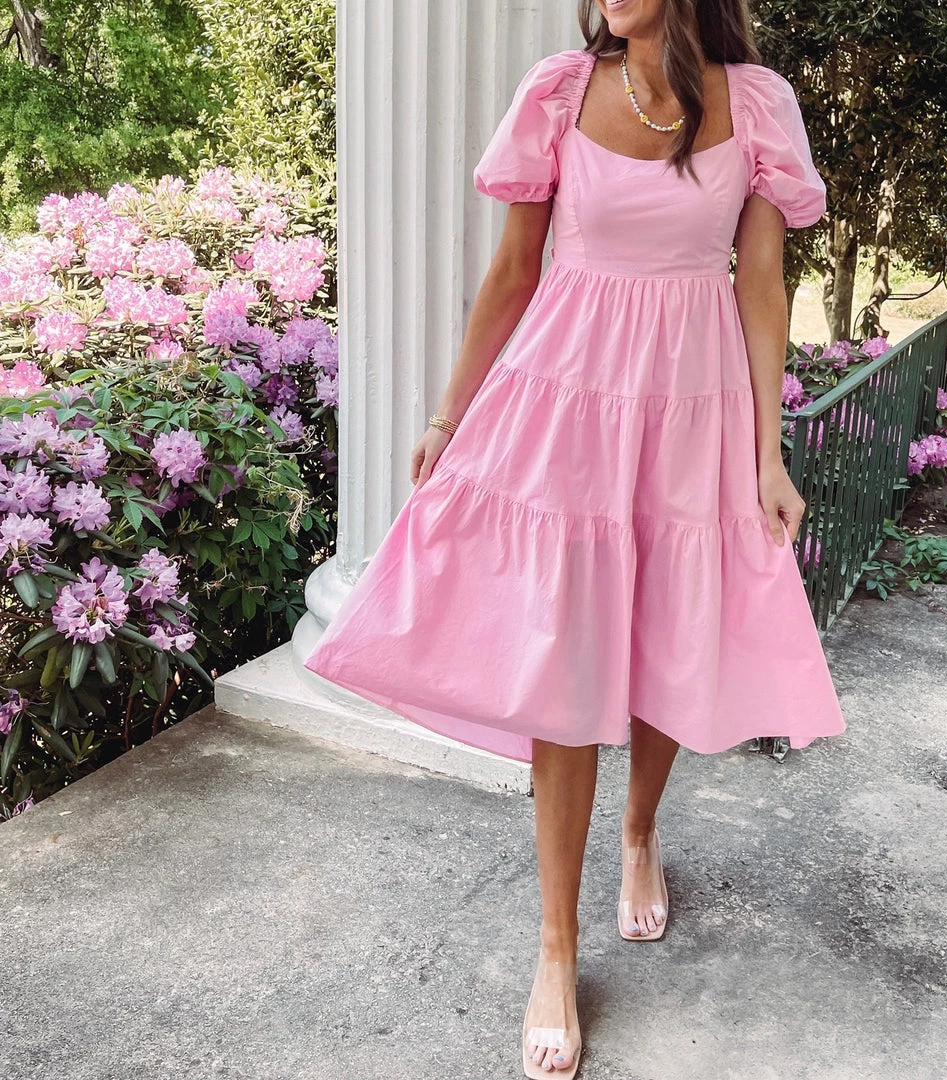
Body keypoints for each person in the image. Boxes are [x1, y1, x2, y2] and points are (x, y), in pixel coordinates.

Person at [303, 0, 847, 1074]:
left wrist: (767, 454)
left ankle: (639, 834)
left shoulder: (757, 105)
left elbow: (762, 286)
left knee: (669, 642)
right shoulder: (558, 91)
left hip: (691, 408)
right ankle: (556, 949)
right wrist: (448, 415)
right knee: (564, 662)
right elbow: (515, 271)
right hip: (565, 407)